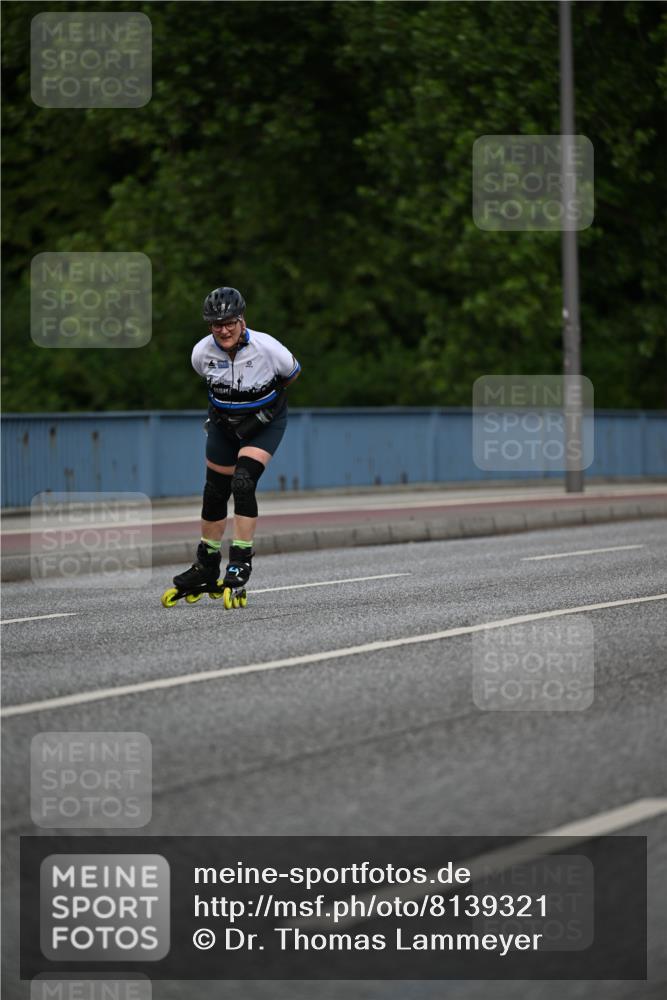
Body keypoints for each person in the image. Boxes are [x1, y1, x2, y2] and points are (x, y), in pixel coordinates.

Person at [172, 286, 301, 598]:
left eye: (230, 322)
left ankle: (240, 560)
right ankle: (206, 565)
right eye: (217, 324)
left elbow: (291, 375)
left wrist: (262, 409)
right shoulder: (201, 353)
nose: (224, 330)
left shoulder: (268, 348)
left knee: (242, 482)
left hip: (263, 423)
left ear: (242, 320)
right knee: (214, 491)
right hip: (223, 424)